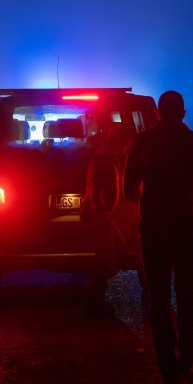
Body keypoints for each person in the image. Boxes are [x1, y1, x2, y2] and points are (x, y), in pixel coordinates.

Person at [124, 90, 193, 384]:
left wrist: (143, 202)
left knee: (158, 298)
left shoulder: (143, 143)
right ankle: (186, 353)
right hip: (188, 226)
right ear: (183, 112)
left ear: (157, 112)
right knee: (187, 294)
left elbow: (129, 188)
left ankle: (167, 369)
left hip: (155, 227)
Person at [82, 123, 133, 313]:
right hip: (101, 214)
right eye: (126, 141)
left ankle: (95, 299)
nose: (128, 145)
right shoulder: (104, 158)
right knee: (105, 256)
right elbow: (98, 189)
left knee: (108, 255)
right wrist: (105, 213)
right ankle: (92, 301)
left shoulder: (105, 155)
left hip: (102, 213)